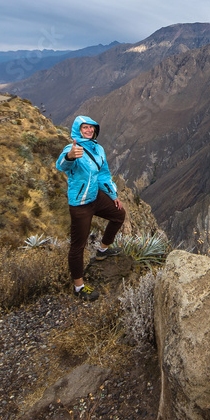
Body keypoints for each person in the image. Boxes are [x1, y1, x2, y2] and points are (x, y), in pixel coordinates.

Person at [56, 115, 125, 300]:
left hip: (96, 196)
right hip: (80, 204)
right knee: (78, 245)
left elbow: (104, 174)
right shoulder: (73, 149)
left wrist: (113, 195)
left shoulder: (98, 149)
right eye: (84, 127)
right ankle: (78, 287)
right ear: (77, 130)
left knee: (119, 214)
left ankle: (102, 250)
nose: (89, 130)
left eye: (91, 127)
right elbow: (62, 165)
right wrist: (70, 156)